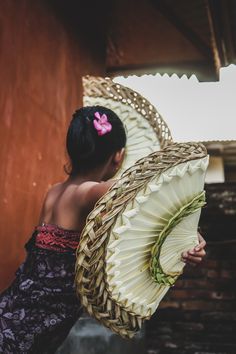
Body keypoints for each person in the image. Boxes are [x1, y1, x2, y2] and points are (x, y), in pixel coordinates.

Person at [0, 106, 206, 353]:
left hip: (13, 308)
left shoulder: (54, 192)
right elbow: (152, 198)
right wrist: (188, 235)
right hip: (26, 331)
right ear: (118, 156)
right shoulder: (93, 192)